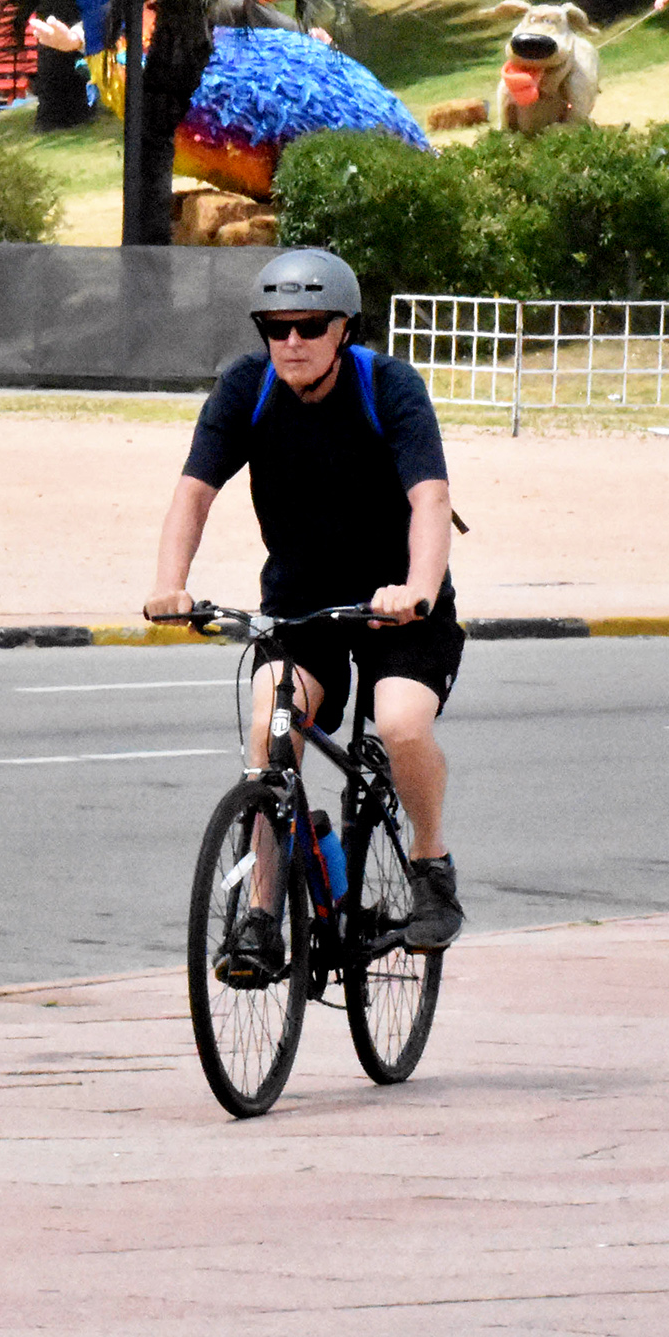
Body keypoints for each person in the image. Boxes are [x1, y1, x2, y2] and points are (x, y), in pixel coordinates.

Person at [142, 247, 465, 968]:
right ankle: (261, 915)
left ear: (343, 328)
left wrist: (416, 588)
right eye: (275, 327)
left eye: (310, 325)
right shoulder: (247, 388)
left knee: (403, 725)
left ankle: (431, 865)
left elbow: (430, 499)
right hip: (300, 607)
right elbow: (194, 490)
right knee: (268, 734)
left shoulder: (390, 386)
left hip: (399, 606)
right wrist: (171, 584)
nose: (291, 342)